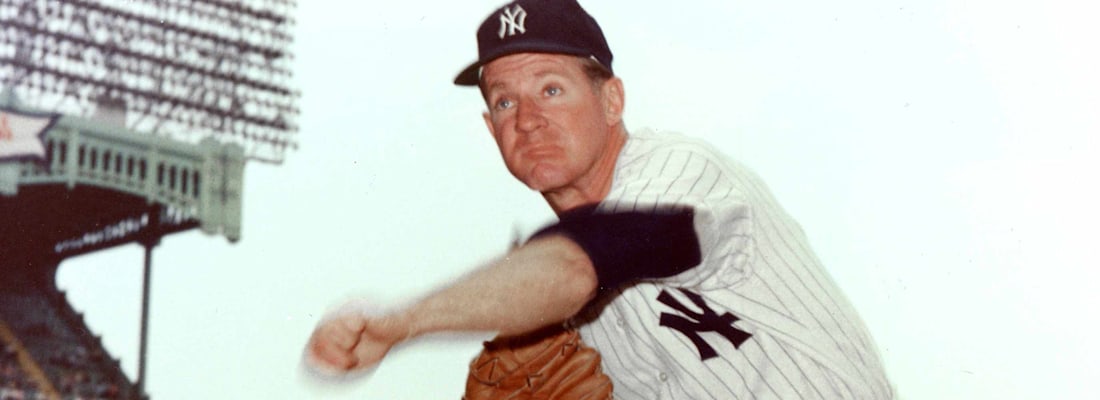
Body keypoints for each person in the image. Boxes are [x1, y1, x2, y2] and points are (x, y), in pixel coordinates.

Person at [306, 0, 894, 398]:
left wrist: (403, 324)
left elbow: (581, 257)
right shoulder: (554, 312)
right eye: (505, 102)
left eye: (551, 89)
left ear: (612, 100)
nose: (527, 119)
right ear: (491, 128)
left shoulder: (683, 172)